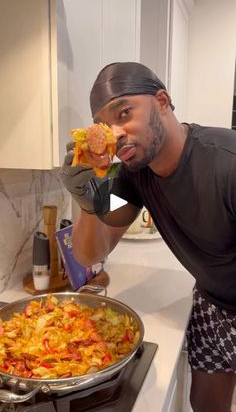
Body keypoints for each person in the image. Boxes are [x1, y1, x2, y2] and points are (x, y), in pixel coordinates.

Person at [61, 61, 236, 412]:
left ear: (162, 100)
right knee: (205, 404)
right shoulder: (132, 178)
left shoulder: (226, 162)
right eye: (104, 126)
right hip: (211, 301)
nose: (116, 132)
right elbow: (89, 252)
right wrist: (87, 202)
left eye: (124, 113)